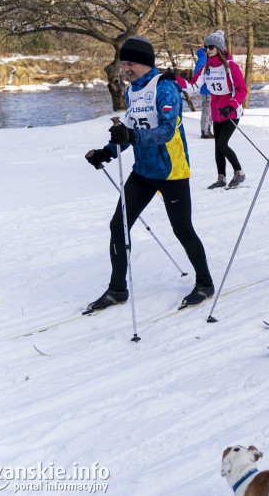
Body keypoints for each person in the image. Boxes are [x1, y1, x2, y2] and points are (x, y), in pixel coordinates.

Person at [83, 35, 214, 311]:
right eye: (124, 64)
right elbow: (130, 127)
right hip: (143, 171)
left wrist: (133, 136)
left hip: (171, 172)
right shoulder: (132, 92)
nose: (126, 69)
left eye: (131, 64)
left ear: (145, 63)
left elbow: (167, 130)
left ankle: (205, 283)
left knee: (182, 229)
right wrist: (108, 151)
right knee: (118, 226)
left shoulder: (165, 88)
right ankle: (117, 289)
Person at [176, 31, 248, 189]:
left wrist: (232, 104)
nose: (207, 50)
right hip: (217, 112)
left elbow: (242, 89)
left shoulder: (230, 67)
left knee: (222, 143)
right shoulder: (206, 67)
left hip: (231, 111)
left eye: (210, 47)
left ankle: (239, 173)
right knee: (217, 146)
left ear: (219, 48)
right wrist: (175, 79)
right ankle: (221, 178)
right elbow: (193, 86)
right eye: (205, 47)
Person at [193, 46, 214, 139]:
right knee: (207, 110)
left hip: (206, 89)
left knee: (209, 110)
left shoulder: (201, 60)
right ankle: (205, 131)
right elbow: (198, 75)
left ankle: (207, 130)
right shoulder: (204, 60)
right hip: (207, 89)